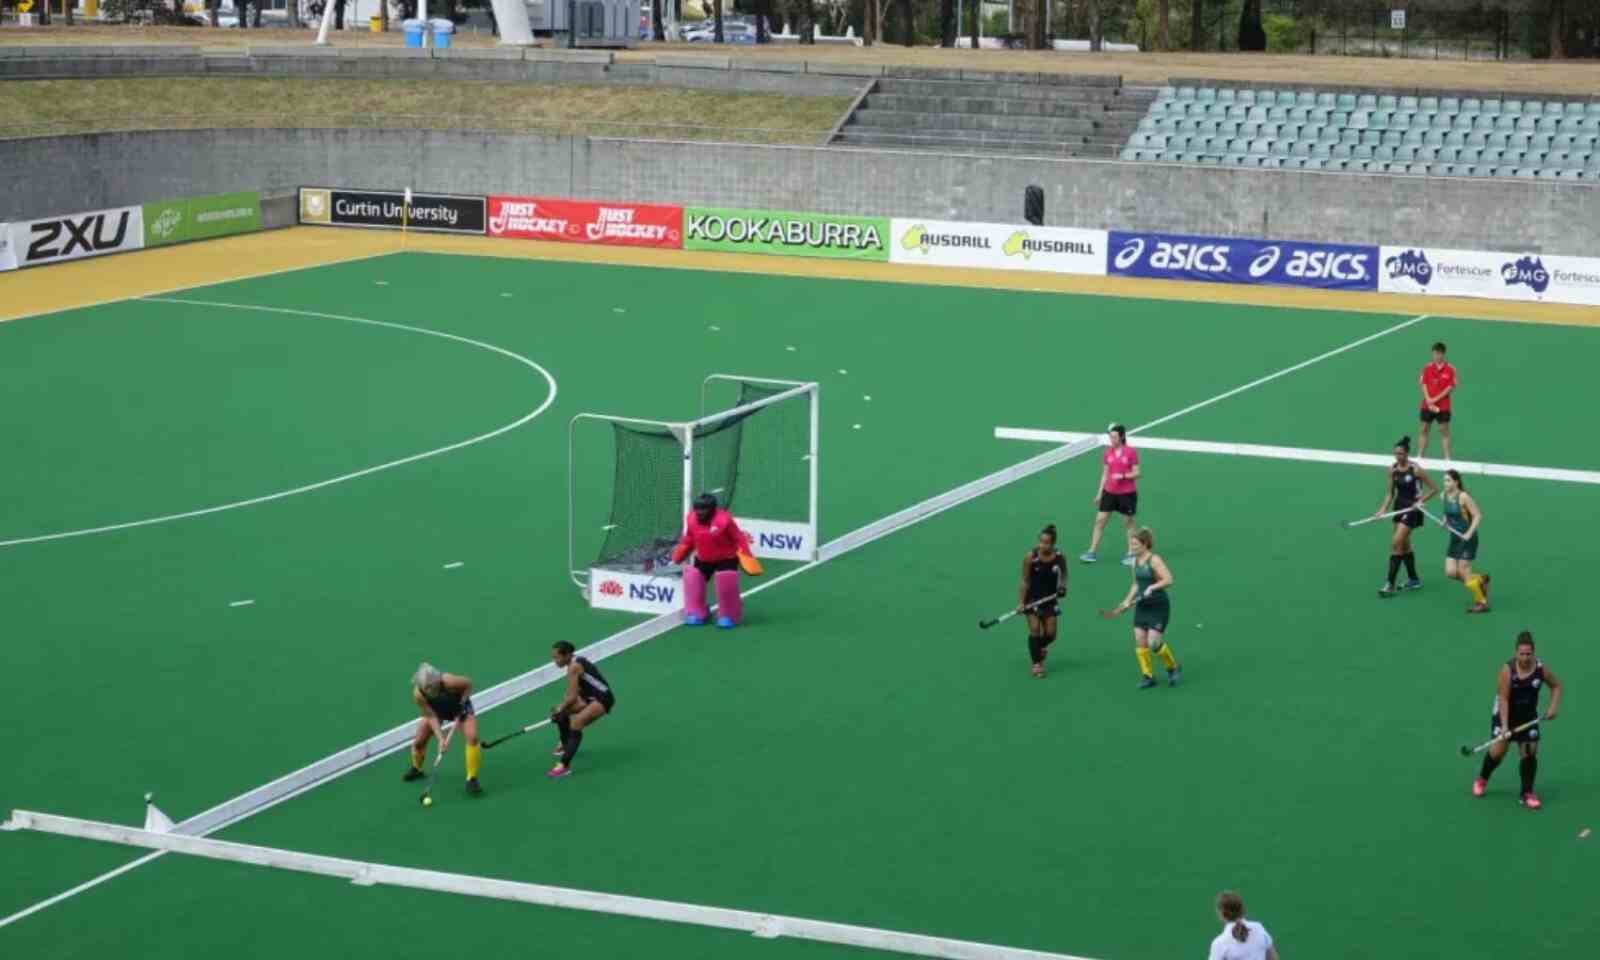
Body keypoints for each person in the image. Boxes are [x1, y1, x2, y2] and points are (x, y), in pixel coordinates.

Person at [1473, 632, 1562, 809]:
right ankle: (1482, 779)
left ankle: (1527, 793)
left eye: (1529, 654)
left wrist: (1552, 707)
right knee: (1498, 752)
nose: (1525, 657)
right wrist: (1505, 726)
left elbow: (1556, 686)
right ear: (1516, 653)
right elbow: (1503, 698)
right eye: (1522, 654)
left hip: (1528, 716)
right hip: (1505, 714)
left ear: (1533, 653)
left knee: (1529, 752)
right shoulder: (1508, 670)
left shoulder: (1540, 669)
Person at [670, 492, 758, 628]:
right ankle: (697, 611)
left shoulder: (724, 520)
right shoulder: (691, 520)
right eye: (697, 509)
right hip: (704, 558)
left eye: (703, 509)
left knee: (726, 581)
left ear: (712, 509)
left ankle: (729, 614)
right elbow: (689, 538)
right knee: (694, 578)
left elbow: (738, 538)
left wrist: (746, 556)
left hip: (726, 558)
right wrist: (679, 554)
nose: (700, 512)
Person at [1110, 528, 1180, 689]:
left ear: (1145, 544)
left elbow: (1169, 579)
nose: (1132, 547)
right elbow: (1136, 584)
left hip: (1158, 605)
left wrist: (1152, 587)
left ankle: (1172, 667)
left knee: (1154, 643)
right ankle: (1148, 676)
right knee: (1140, 640)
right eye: (1131, 544)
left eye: (1135, 544)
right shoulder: (1134, 561)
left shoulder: (1154, 560)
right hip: (1143, 606)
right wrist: (1126, 601)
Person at [405, 662, 483, 796]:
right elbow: (431, 716)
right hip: (437, 712)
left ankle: (472, 779)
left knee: (472, 737)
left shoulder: (449, 681)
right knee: (419, 742)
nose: (429, 690)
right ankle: (417, 768)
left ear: (436, 680)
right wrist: (441, 739)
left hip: (459, 708)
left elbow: (468, 684)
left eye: (431, 686)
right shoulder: (418, 694)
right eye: (426, 688)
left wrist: (462, 703)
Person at [1375, 436, 1437, 598]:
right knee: (1404, 545)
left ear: (1407, 454)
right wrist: (1382, 510)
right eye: (1396, 453)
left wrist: (1420, 501)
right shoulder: (1392, 469)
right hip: (1398, 508)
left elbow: (1434, 489)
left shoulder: (1416, 469)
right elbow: (1390, 493)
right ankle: (1414, 579)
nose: (1398, 456)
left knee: (1396, 544)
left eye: (1401, 453)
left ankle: (1390, 584)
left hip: (1413, 509)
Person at [548, 641, 616, 779]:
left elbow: (572, 697)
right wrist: (561, 709)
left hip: (603, 698)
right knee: (561, 713)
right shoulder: (574, 662)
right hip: (588, 696)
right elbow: (575, 691)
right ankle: (566, 744)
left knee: (576, 723)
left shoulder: (574, 667)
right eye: (553, 657)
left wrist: (562, 707)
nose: (554, 661)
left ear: (567, 655)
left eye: (557, 657)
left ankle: (564, 766)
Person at [1081, 424, 1140, 565]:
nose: (1111, 439)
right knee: (1099, 521)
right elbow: (1105, 474)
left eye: (1114, 437)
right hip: (1109, 492)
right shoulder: (1107, 453)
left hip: (1127, 494)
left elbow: (1137, 473)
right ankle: (1092, 552)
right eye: (1110, 437)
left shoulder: (1131, 452)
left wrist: (1123, 476)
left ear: (1122, 436)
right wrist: (1099, 493)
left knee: (1128, 523)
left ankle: (1131, 553)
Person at [1018, 524, 1068, 678]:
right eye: (1041, 542)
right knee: (1035, 629)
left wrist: (1062, 586)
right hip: (1032, 599)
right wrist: (1021, 603)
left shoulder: (1059, 557)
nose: (1042, 545)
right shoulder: (1030, 557)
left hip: (1049, 599)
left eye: (1046, 543)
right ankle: (1037, 664)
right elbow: (1025, 581)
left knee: (1051, 634)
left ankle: (1039, 647)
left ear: (1053, 543)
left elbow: (1064, 574)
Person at [1440, 469, 1490, 613]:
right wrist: (1445, 520)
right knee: (1450, 572)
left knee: (1463, 570)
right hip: (1455, 538)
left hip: (1468, 539)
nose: (1445, 483)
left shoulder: (1463, 497)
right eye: (1444, 480)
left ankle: (1481, 602)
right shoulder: (1443, 496)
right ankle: (1480, 580)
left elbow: (1478, 515)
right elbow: (1447, 512)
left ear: (1456, 482)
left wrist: (1468, 533)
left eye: (1448, 480)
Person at [1208, 891, 1279, 960]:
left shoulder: (1219, 943)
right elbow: (1273, 958)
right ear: (1242, 909)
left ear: (1221, 913)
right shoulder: (1259, 928)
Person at [1417, 341, 1457, 460]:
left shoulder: (1450, 369)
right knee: (1424, 429)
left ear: (1443, 354)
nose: (1435, 356)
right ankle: (1420, 456)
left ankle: (1447, 458)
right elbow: (1423, 383)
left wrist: (1435, 399)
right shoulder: (1427, 368)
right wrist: (1428, 399)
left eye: (1437, 354)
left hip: (1443, 406)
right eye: (1434, 354)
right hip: (1427, 405)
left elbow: (1450, 387)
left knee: (1444, 431)